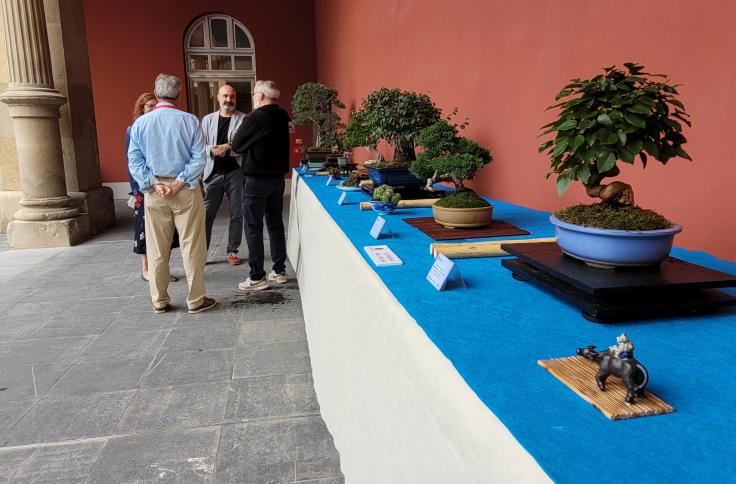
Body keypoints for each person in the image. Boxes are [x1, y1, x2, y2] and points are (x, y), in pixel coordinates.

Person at [127, 74, 216, 314]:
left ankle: (159, 300)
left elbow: (134, 161)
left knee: (157, 247)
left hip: (155, 192)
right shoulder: (189, 121)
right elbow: (200, 158)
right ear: (178, 94)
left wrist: (154, 184)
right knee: (193, 245)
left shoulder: (141, 123)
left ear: (156, 95)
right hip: (185, 189)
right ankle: (196, 299)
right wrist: (177, 183)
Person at [231, 80, 290, 290]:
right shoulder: (283, 115)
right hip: (277, 180)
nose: (253, 96)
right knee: (275, 224)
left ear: (263, 96)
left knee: (253, 227)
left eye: (255, 93)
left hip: (256, 180)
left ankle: (257, 276)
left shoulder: (255, 117)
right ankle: (279, 270)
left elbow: (237, 145)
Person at [125, 92, 179, 282]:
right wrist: (140, 188)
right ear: (141, 108)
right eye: (149, 106)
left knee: (166, 230)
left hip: (165, 185)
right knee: (145, 230)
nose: (153, 108)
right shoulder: (133, 129)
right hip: (144, 187)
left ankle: (162, 268)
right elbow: (132, 162)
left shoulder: (158, 128)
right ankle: (147, 269)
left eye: (155, 105)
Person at [201, 84, 246, 265]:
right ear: (218, 98)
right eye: (225, 96)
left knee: (237, 213)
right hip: (212, 173)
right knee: (206, 215)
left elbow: (245, 145)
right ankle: (201, 253)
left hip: (235, 172)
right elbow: (199, 144)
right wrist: (211, 149)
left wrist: (227, 147)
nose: (229, 100)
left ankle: (232, 251)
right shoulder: (207, 120)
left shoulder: (244, 119)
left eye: (232, 96)